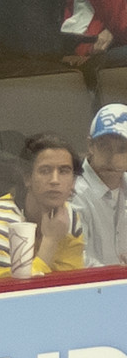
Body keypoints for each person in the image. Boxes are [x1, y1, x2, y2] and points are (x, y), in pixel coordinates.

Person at [0, 133, 85, 280]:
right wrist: (50, 241)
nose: (55, 180)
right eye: (45, 171)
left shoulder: (68, 217)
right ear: (27, 178)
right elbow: (10, 294)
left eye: (64, 171)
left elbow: (68, 282)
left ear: (73, 182)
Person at [71, 103, 127, 267]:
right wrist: (117, 274)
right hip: (91, 289)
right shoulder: (74, 193)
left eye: (122, 148)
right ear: (90, 146)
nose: (113, 156)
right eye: (104, 146)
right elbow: (77, 261)